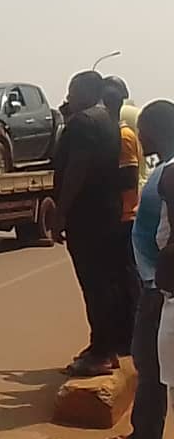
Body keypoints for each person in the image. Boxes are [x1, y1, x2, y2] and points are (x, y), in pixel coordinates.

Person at [52, 71, 123, 377]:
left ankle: (102, 352)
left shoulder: (83, 123)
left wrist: (61, 212)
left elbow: (77, 170)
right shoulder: (108, 120)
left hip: (86, 216)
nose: (68, 97)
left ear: (83, 90)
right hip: (106, 213)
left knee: (93, 284)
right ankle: (103, 345)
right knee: (104, 283)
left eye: (71, 90)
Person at [113, 100, 174, 439]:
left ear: (153, 130)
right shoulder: (164, 168)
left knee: (151, 366)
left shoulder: (170, 171)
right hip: (154, 284)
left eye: (142, 131)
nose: (139, 137)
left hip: (161, 289)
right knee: (150, 365)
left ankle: (145, 434)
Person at [102, 77, 142, 354]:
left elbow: (127, 178)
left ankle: (129, 338)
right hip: (120, 215)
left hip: (126, 215)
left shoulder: (123, 135)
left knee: (126, 281)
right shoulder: (113, 133)